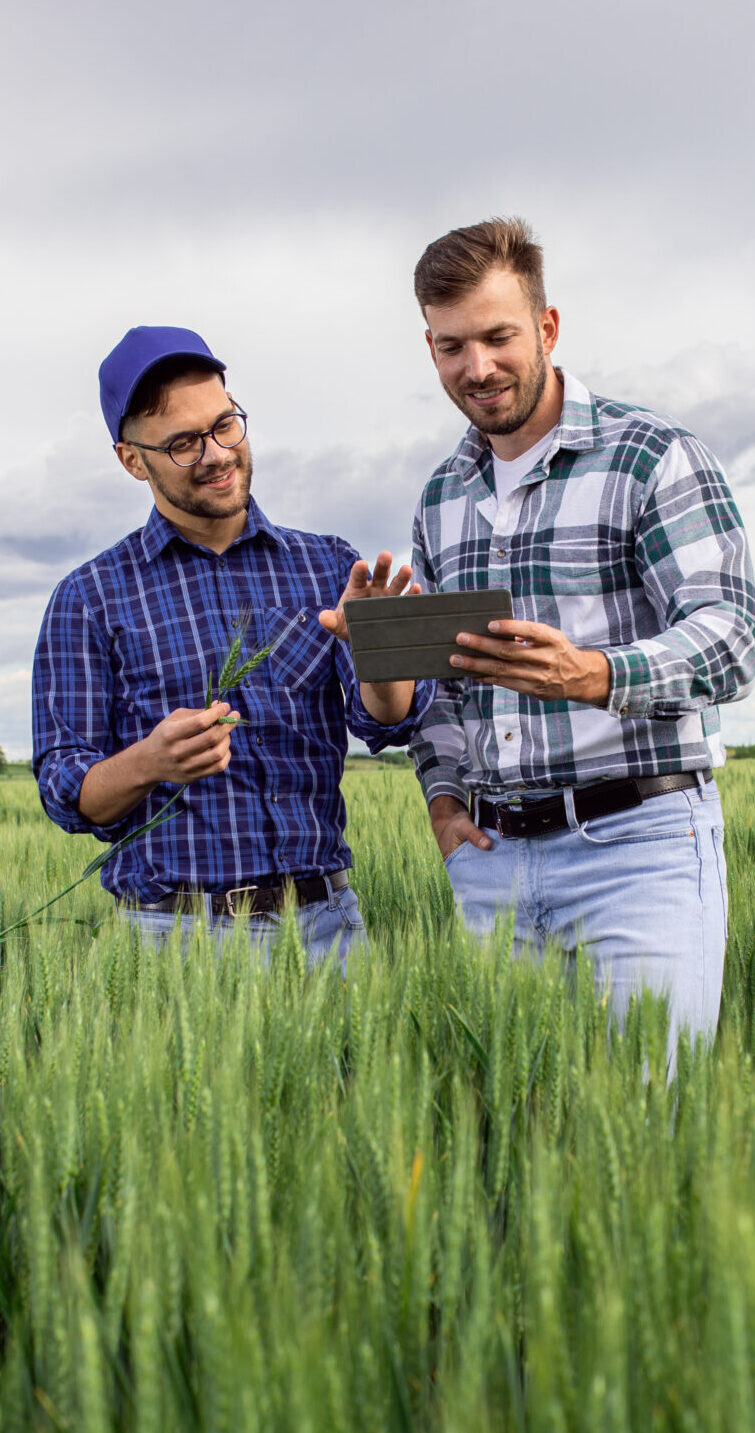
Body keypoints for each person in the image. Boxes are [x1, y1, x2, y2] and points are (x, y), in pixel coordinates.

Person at [409, 216, 755, 1055]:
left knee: (645, 1132)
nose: (478, 367)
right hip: (490, 860)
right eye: (453, 345)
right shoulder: (440, 497)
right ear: (430, 348)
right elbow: (443, 689)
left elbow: (732, 635)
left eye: (498, 337)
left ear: (547, 327)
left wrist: (594, 674)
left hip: (634, 850)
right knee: (518, 1135)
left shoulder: (651, 456)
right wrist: (444, 804)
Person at [32, 326, 435, 964]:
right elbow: (64, 788)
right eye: (183, 444)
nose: (217, 454)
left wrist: (382, 655)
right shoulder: (89, 597)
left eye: (225, 425)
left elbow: (388, 721)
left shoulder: (327, 565)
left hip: (329, 926)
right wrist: (150, 762)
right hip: (173, 940)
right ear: (132, 459)